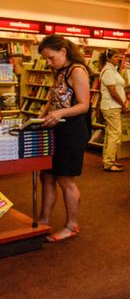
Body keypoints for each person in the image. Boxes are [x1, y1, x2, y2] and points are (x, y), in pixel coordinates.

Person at [37, 35, 90, 242]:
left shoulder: (77, 71)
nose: (49, 62)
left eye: (51, 57)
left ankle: (71, 225)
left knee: (65, 179)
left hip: (72, 132)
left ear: (63, 52)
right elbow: (53, 99)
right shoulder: (58, 71)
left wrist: (59, 113)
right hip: (56, 131)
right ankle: (43, 220)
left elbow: (83, 105)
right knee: (47, 176)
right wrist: (41, 115)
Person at [99, 49, 128, 172]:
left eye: (119, 56)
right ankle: (109, 163)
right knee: (115, 134)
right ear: (108, 58)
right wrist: (123, 104)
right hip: (112, 106)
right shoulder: (108, 72)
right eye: (116, 56)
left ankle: (108, 159)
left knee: (110, 133)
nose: (119, 59)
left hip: (113, 106)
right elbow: (113, 92)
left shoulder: (112, 70)